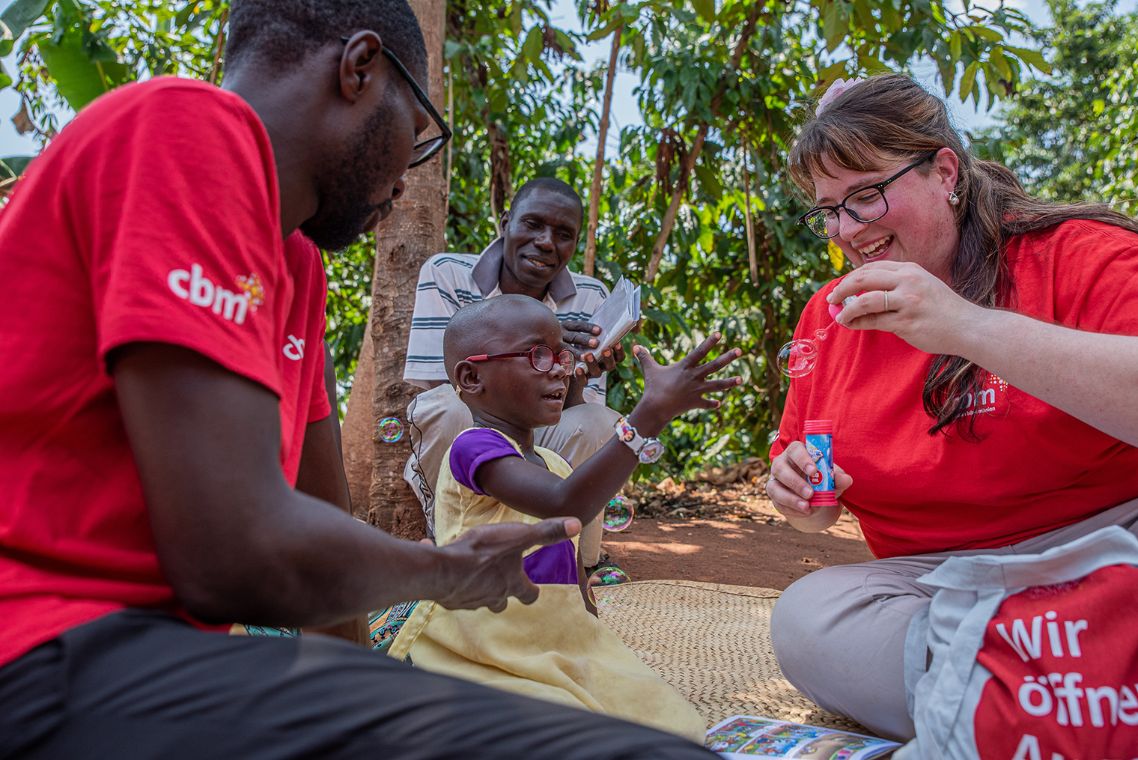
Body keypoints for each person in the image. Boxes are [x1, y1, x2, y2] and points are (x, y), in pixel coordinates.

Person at [0, 2, 720, 757]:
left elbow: (321, 518)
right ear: (360, 69)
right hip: (42, 650)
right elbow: (233, 553)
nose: (407, 183)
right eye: (414, 138)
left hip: (152, 660)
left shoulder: (297, 269)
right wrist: (443, 572)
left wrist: (349, 695)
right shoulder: (184, 127)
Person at [765, 73, 1138, 741]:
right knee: (807, 618)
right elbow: (812, 503)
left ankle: (1005, 709)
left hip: (1113, 553)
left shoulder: (1077, 253)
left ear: (944, 171)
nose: (847, 231)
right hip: (948, 588)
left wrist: (964, 325)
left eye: (867, 195)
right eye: (828, 209)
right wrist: (795, 492)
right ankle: (1087, 697)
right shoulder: (826, 319)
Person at [389, 295, 741, 742]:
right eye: (536, 355)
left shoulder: (554, 463)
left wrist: (588, 625)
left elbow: (571, 557)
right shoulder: (473, 448)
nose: (559, 368)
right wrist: (647, 416)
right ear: (472, 376)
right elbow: (563, 504)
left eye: (561, 354)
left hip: (557, 639)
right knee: (562, 732)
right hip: (483, 644)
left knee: (673, 723)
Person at [403, 177, 623, 573]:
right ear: (505, 223)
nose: (546, 242)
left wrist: (576, 374)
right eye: (533, 224)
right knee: (447, 408)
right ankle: (452, 546)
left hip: (538, 435)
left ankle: (571, 562)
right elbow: (449, 385)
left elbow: (571, 413)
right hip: (472, 423)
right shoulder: (449, 273)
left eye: (563, 234)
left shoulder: (591, 296)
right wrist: (545, 335)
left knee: (597, 421)